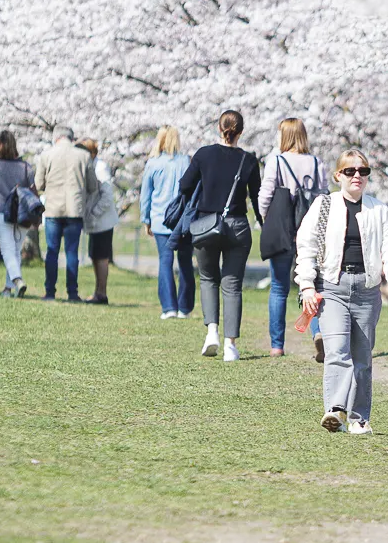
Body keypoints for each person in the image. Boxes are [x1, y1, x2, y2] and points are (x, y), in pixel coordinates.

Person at [295, 149, 388, 433]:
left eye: (363, 171)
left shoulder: (378, 209)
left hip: (367, 290)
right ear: (338, 176)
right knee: (336, 350)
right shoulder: (323, 206)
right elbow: (306, 246)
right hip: (332, 287)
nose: (357, 176)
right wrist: (307, 285)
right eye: (350, 171)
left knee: (363, 357)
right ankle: (334, 409)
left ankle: (359, 418)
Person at [174, 109, 263, 360]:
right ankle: (230, 345)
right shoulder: (248, 160)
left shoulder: (204, 154)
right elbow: (255, 196)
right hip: (237, 225)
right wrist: (261, 220)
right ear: (241, 132)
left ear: (218, 128)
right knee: (232, 285)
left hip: (205, 224)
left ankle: (211, 331)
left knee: (208, 278)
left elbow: (184, 185)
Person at [259, 117, 327, 356]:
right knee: (313, 284)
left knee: (279, 287)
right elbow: (325, 198)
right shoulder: (317, 163)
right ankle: (318, 331)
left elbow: (265, 196)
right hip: (310, 230)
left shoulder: (276, 161)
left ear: (284, 136)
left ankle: (277, 345)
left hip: (283, 229)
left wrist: (267, 217)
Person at [33, 126, 97, 303]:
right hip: (74, 210)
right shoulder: (83, 156)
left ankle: (50, 292)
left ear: (56, 137)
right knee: (71, 252)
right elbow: (93, 186)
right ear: (72, 138)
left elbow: (38, 184)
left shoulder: (47, 155)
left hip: (53, 208)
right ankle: (72, 293)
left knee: (52, 251)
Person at [140, 125, 195, 319]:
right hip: (183, 220)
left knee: (165, 261)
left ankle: (169, 307)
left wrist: (145, 219)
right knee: (185, 262)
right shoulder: (186, 162)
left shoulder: (153, 163)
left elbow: (146, 195)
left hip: (160, 218)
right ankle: (185, 307)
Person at [0, 130, 33, 298]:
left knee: (7, 251)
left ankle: (17, 280)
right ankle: (8, 289)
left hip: (1, 213)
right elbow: (33, 190)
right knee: (15, 252)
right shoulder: (26, 167)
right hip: (22, 214)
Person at [81, 136, 119, 304]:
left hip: (102, 220)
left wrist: (94, 213)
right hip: (96, 221)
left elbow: (107, 195)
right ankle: (98, 292)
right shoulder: (91, 166)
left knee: (101, 256)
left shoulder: (100, 167)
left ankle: (101, 293)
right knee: (95, 255)